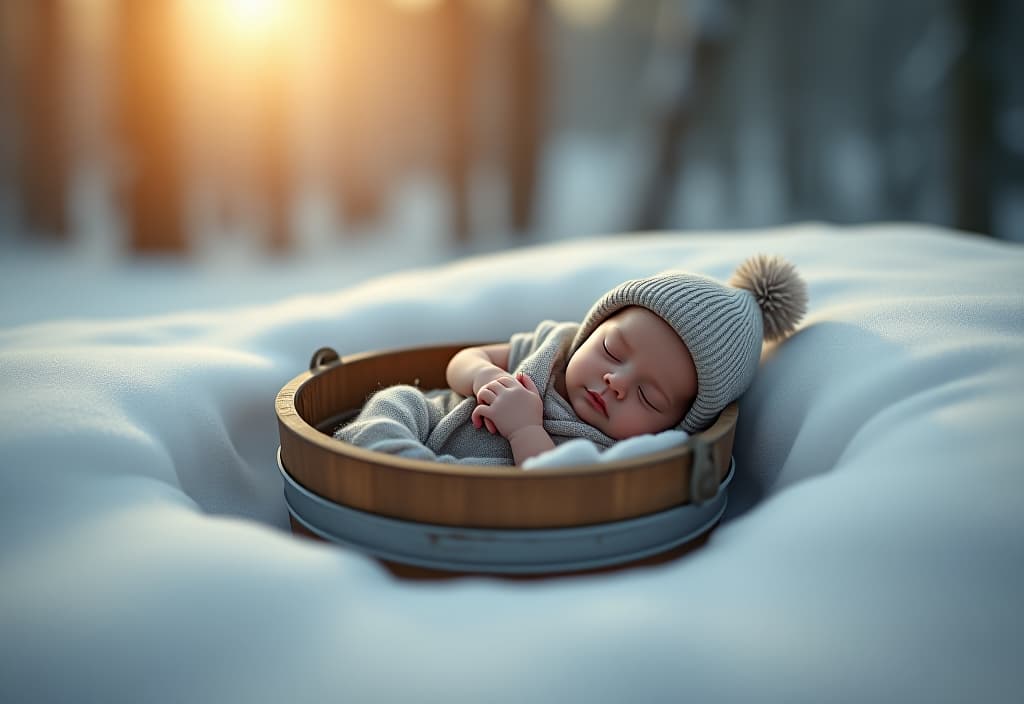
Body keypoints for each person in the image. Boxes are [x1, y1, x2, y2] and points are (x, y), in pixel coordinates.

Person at [335, 254, 808, 466]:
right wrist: (483, 374)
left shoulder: (609, 452)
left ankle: (400, 480)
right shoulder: (553, 350)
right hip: (430, 424)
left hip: (473, 493)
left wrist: (526, 431)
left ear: (676, 427)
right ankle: (384, 459)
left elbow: (551, 490)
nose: (615, 381)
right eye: (611, 351)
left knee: (484, 485)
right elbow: (464, 360)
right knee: (398, 399)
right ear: (591, 328)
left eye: (647, 395)